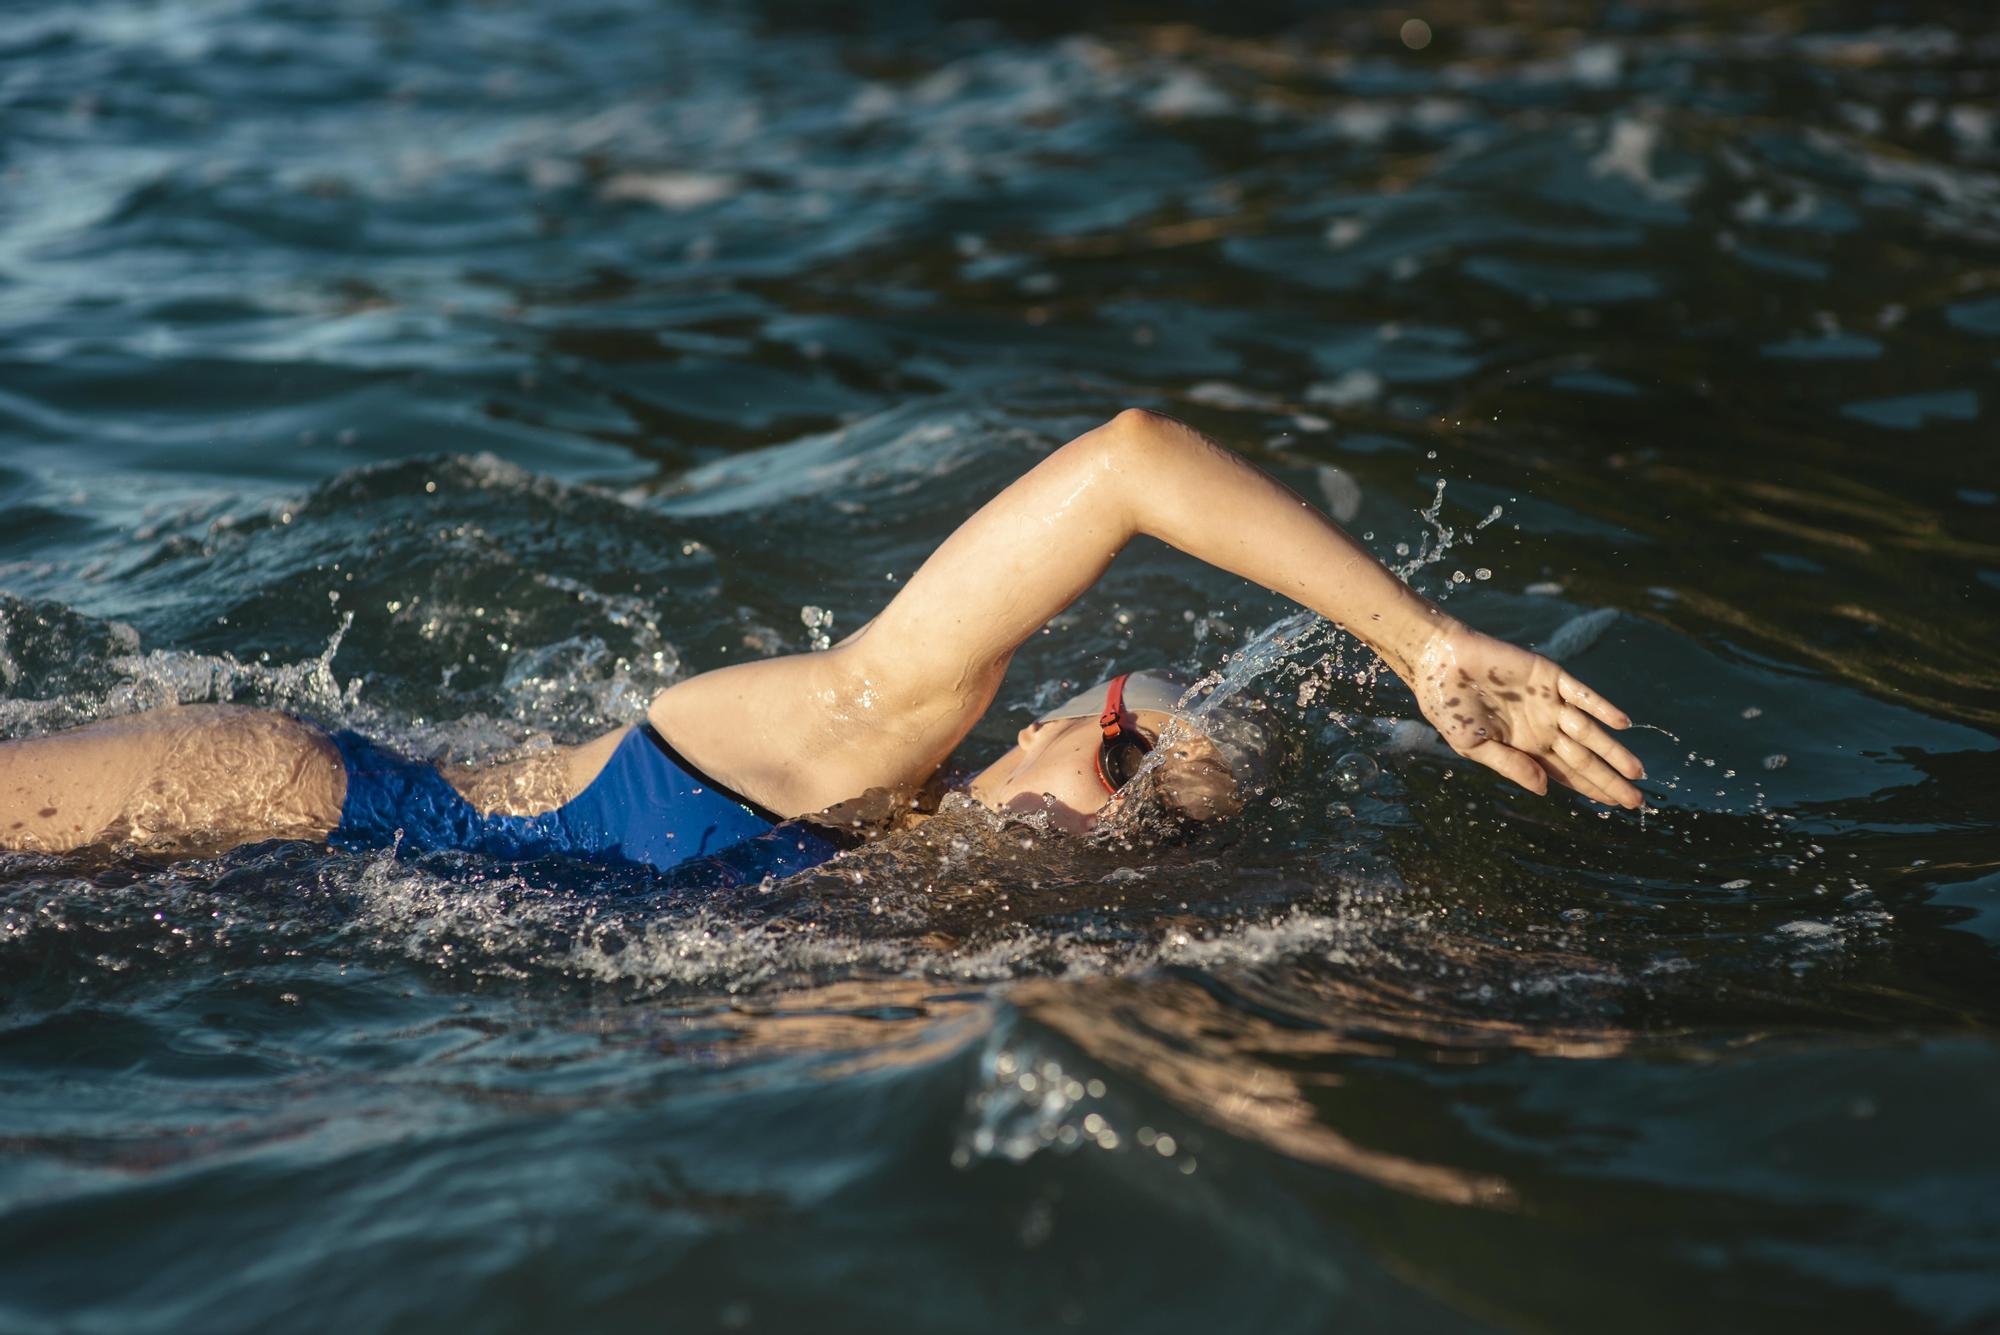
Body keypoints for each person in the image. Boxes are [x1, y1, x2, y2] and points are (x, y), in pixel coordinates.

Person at [0, 410, 1645, 881]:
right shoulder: (858, 732)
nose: (1115, 813)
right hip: (288, 801)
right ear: (1064, 725)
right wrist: (1421, 645)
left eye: (1159, 822)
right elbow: (1128, 463)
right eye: (1133, 752)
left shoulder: (901, 899)